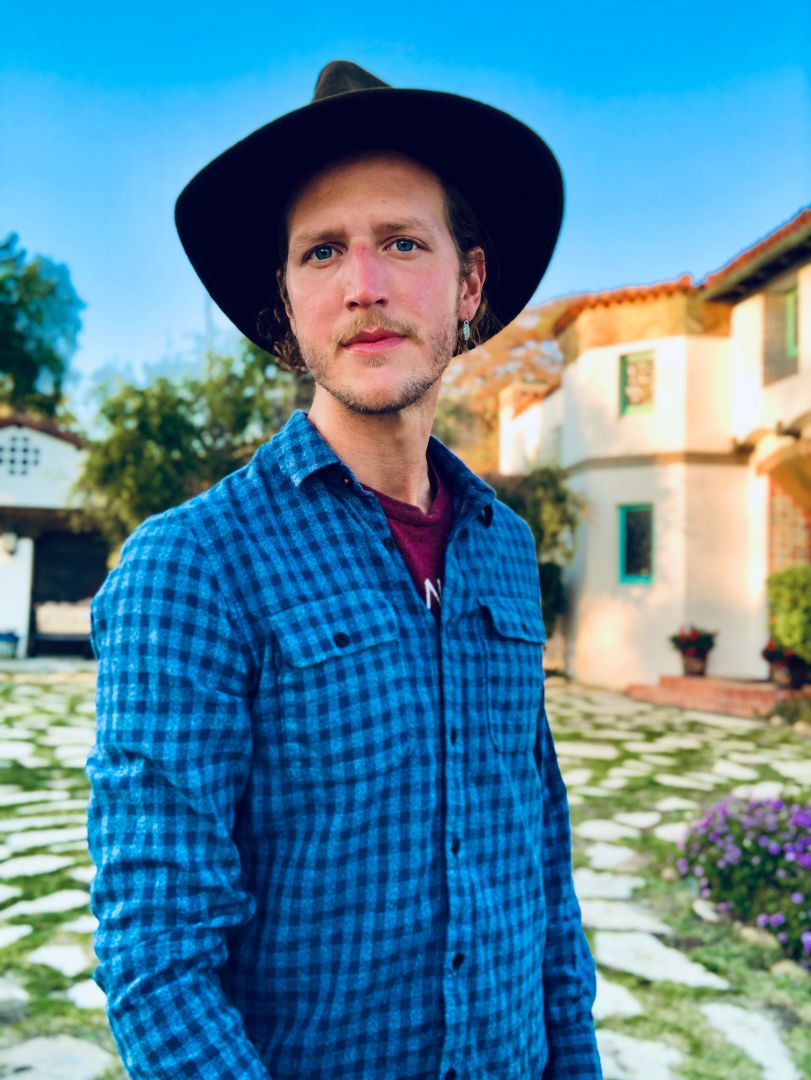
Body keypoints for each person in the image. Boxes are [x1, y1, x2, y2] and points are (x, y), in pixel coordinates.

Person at [86, 60, 602, 1079]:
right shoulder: (193, 566)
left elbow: (538, 858)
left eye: (402, 242)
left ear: (469, 283)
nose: (363, 284)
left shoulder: (503, 548)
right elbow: (158, 961)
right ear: (286, 302)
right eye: (321, 251)